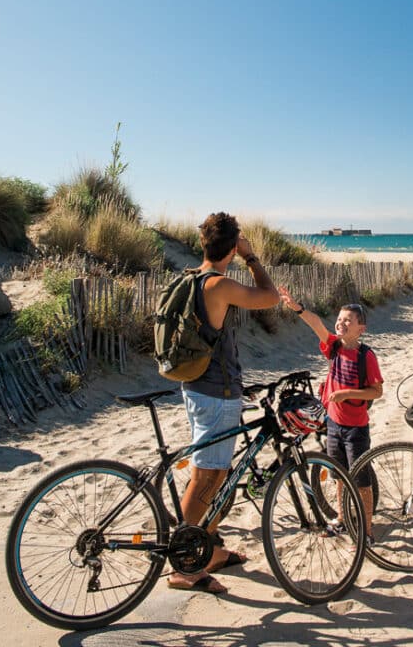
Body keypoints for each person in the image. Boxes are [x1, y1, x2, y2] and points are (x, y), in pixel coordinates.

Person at [167, 212, 280, 595]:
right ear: (231, 246)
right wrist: (251, 258)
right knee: (205, 477)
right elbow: (270, 297)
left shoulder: (192, 278)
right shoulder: (218, 285)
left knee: (215, 474)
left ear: (203, 244)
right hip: (216, 393)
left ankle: (210, 551)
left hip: (199, 386)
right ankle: (184, 565)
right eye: (237, 245)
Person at [278, 288, 383, 543]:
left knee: (361, 480)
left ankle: (366, 530)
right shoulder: (333, 346)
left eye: (348, 320)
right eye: (340, 318)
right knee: (338, 475)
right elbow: (316, 324)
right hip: (333, 424)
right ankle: (342, 519)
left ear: (361, 328)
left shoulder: (366, 356)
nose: (341, 322)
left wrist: (346, 394)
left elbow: (376, 391)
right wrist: (297, 307)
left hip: (356, 428)